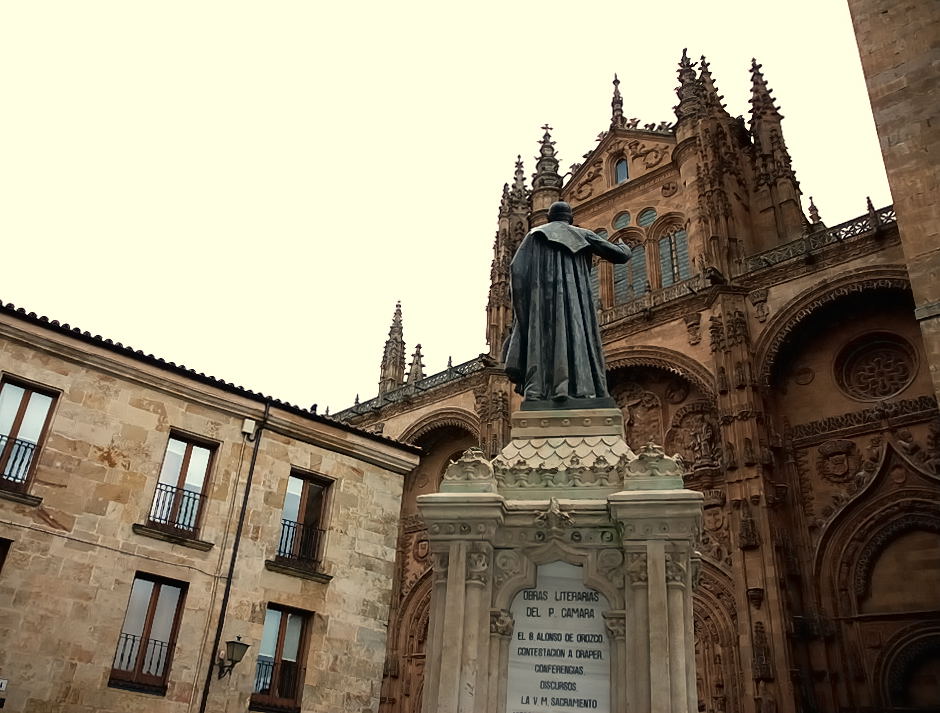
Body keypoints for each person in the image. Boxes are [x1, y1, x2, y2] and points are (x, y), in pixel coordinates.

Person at [504, 201, 629, 409]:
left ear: (549, 217)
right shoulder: (581, 234)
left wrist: (523, 309)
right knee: (576, 337)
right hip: (575, 302)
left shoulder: (534, 236)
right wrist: (624, 246)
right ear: (569, 218)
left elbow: (516, 272)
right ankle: (583, 390)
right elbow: (620, 255)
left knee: (542, 342)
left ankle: (537, 391)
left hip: (542, 304)